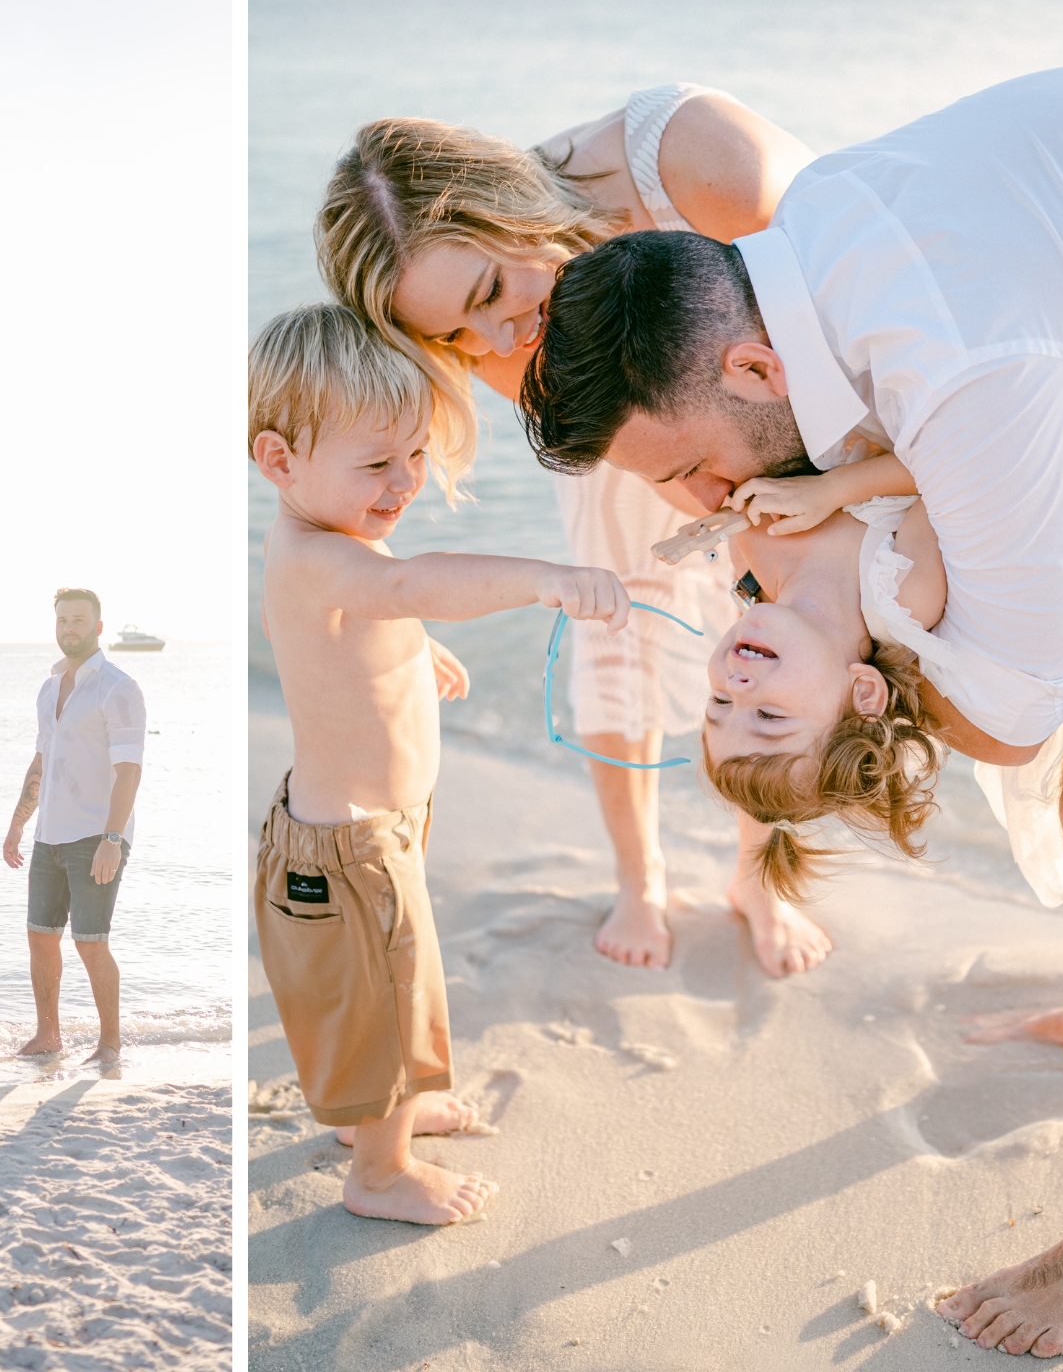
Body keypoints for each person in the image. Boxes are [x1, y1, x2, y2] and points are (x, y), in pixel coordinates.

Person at [515, 63, 1063, 1355]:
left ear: (749, 362)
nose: (698, 508)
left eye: (689, 468)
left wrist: (869, 687)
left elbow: (1013, 719)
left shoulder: (966, 373)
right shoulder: (804, 234)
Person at [315, 89, 832, 977]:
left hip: (780, 403)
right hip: (625, 443)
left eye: (490, 291)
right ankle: (642, 877)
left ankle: (759, 871)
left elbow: (852, 311)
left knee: (776, 640)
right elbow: (587, 429)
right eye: (455, 335)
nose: (501, 336)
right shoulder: (493, 331)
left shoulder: (691, 162)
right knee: (617, 637)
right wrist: (691, 485)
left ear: (509, 206)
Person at [250, 303, 630, 1225]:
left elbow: (375, 616)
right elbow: (404, 585)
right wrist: (545, 579)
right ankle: (379, 1173)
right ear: (279, 461)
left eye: (414, 455)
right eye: (377, 463)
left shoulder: (338, 535)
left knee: (395, 993)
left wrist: (416, 650)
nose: (404, 481)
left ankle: (390, 1113)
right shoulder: (314, 554)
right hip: (351, 847)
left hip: (381, 827)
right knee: (385, 1003)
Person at [704, 453, 1063, 912]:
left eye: (719, 703)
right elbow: (953, 469)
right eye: (768, 715)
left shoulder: (749, 567)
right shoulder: (902, 597)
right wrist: (831, 491)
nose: (737, 684)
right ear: (863, 692)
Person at [1, 587, 145, 1067]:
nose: (70, 628)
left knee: (90, 940)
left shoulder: (117, 688)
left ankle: (109, 1043)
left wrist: (112, 838)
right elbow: (42, 760)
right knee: (40, 936)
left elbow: (129, 770)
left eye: (79, 620)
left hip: (96, 835)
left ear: (98, 627)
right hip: (49, 836)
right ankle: (48, 1035)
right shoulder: (49, 688)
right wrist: (18, 824)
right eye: (63, 620)